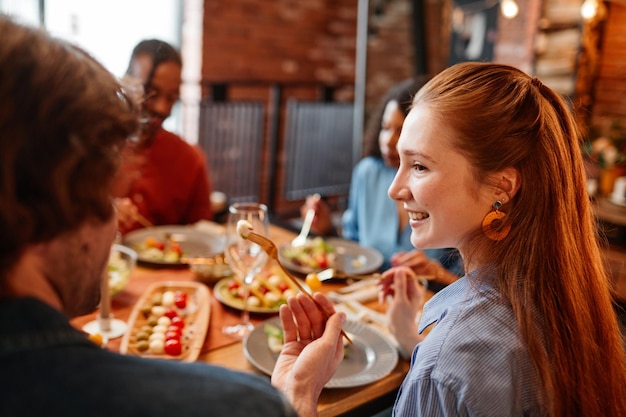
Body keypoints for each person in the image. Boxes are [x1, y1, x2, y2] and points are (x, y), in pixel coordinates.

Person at [0, 16, 344, 417]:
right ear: (62, 199)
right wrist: (297, 395)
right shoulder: (240, 407)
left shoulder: (187, 157)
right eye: (107, 192)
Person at [279, 62, 626, 416]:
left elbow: (458, 371)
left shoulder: (448, 360)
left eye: (419, 167)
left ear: (501, 187)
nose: (394, 189)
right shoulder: (565, 304)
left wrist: (299, 395)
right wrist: (409, 340)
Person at [301, 78, 462, 286]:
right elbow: (354, 248)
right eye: (385, 128)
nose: (388, 141)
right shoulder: (367, 173)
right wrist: (327, 229)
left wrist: (435, 273)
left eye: (401, 130)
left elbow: (471, 289)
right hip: (367, 295)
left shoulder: (443, 186)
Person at [113, 39, 213, 234]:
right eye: (150, 93)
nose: (162, 108)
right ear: (126, 84)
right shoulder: (92, 147)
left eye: (171, 97)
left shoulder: (190, 159)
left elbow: (202, 234)